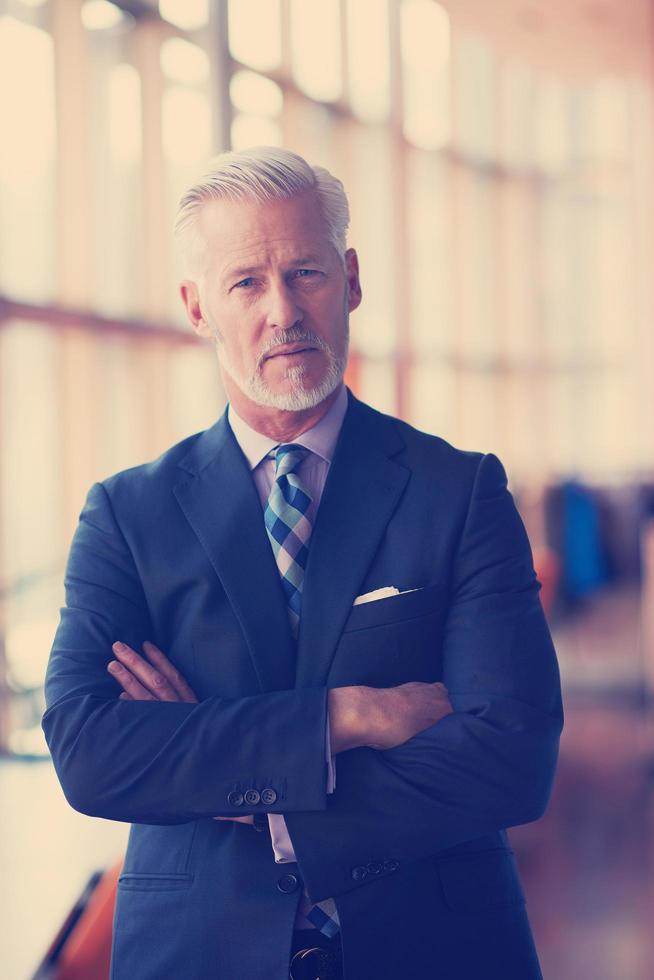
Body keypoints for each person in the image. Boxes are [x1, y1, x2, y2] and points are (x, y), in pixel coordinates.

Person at [42, 146, 563, 980]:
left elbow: (513, 754)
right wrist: (343, 719)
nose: (283, 310)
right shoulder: (126, 514)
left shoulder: (459, 490)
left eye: (306, 272)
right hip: (195, 950)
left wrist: (243, 795)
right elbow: (90, 751)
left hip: (435, 947)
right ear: (196, 307)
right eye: (245, 281)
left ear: (351, 280)